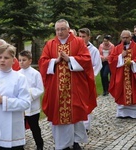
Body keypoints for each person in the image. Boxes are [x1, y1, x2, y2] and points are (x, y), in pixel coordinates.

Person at [38, 19, 97, 150]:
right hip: (56, 88)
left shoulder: (78, 42)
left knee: (75, 112)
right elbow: (42, 62)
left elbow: (87, 60)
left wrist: (70, 59)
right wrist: (55, 61)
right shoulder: (50, 44)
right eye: (57, 29)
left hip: (74, 87)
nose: (59, 32)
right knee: (58, 113)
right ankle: (62, 145)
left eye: (62, 29)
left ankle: (75, 141)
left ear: (68, 29)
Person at [0, 44, 31, 149]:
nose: (2, 60)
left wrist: (4, 101)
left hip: (12, 129)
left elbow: (25, 103)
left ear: (13, 60)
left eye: (6, 58)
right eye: (0, 57)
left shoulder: (20, 78)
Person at [18, 50, 44, 150]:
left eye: (24, 60)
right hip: (21, 107)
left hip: (32, 107)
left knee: (34, 127)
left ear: (30, 60)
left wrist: (27, 93)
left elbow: (40, 89)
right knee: (20, 127)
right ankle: (20, 144)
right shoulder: (17, 74)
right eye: (20, 60)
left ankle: (39, 144)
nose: (21, 62)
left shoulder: (35, 74)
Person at [78, 28, 102, 131]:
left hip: (88, 79)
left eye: (84, 36)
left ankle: (86, 126)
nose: (81, 38)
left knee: (87, 101)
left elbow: (97, 65)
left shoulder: (94, 50)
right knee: (78, 101)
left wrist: (88, 73)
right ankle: (77, 123)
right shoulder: (76, 48)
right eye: (80, 36)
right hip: (77, 79)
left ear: (89, 37)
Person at [108, 29, 136, 118]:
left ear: (130, 37)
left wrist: (132, 63)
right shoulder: (117, 48)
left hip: (132, 75)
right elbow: (111, 60)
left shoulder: (135, 47)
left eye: (126, 38)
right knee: (120, 91)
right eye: (123, 38)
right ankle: (122, 113)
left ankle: (133, 113)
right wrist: (120, 56)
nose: (124, 39)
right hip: (121, 75)